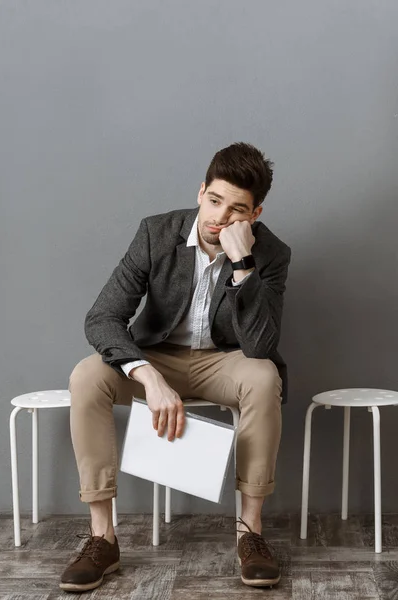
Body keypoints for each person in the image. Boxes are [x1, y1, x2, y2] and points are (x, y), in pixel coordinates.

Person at [60, 142, 291, 592]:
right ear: (201, 190)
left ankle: (251, 535)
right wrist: (147, 375)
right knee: (86, 375)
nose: (220, 218)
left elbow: (260, 346)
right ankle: (101, 538)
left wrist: (243, 265)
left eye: (236, 210)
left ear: (255, 213)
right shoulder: (156, 233)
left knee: (264, 378)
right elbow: (102, 316)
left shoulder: (271, 254)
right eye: (214, 200)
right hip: (157, 358)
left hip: (225, 361)